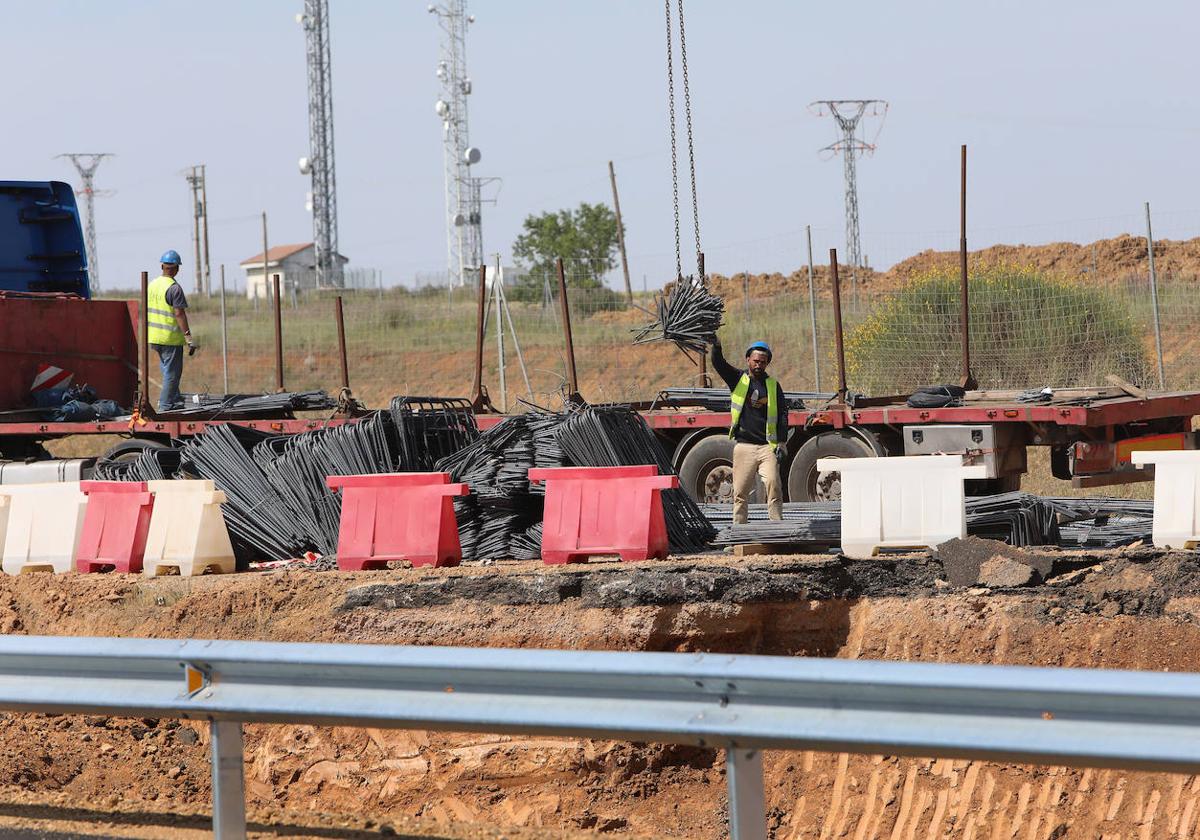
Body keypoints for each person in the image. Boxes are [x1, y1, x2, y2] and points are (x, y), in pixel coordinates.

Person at [711, 337, 787, 524]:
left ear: (767, 362)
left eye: (763, 362)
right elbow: (719, 364)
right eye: (755, 361)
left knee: (773, 483)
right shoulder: (738, 380)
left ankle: (777, 525)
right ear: (748, 360)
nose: (759, 365)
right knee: (740, 491)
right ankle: (739, 530)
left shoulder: (773, 386)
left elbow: (783, 414)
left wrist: (782, 442)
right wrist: (716, 345)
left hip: (766, 447)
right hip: (744, 446)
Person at [147, 250, 196, 412]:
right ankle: (166, 405)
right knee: (172, 374)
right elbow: (179, 313)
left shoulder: (152, 285)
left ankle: (174, 399)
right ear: (177, 269)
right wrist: (188, 337)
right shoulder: (174, 288)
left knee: (167, 370)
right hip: (170, 338)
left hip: (154, 336)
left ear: (162, 266)